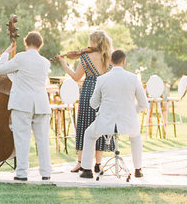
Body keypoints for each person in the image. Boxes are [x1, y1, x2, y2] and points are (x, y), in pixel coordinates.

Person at [79, 49, 148, 179]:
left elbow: (93, 104)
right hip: (128, 121)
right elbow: (144, 104)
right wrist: (133, 111)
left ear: (111, 61)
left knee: (89, 134)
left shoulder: (101, 79)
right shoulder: (133, 78)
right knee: (136, 137)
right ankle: (138, 169)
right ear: (124, 61)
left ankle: (87, 170)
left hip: (105, 122)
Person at [0, 31, 52, 182]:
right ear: (40, 45)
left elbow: (0, 69)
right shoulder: (45, 62)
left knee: (22, 139)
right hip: (41, 103)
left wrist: (6, 53)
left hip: (22, 103)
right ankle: (46, 172)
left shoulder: (21, 57)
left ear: (26, 43)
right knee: (42, 139)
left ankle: (21, 173)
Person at [58, 30, 115, 173]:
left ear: (94, 42)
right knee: (101, 125)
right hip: (104, 91)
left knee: (84, 124)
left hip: (89, 90)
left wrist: (64, 65)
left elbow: (76, 77)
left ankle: (80, 162)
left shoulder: (86, 57)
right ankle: (98, 163)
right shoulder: (109, 58)